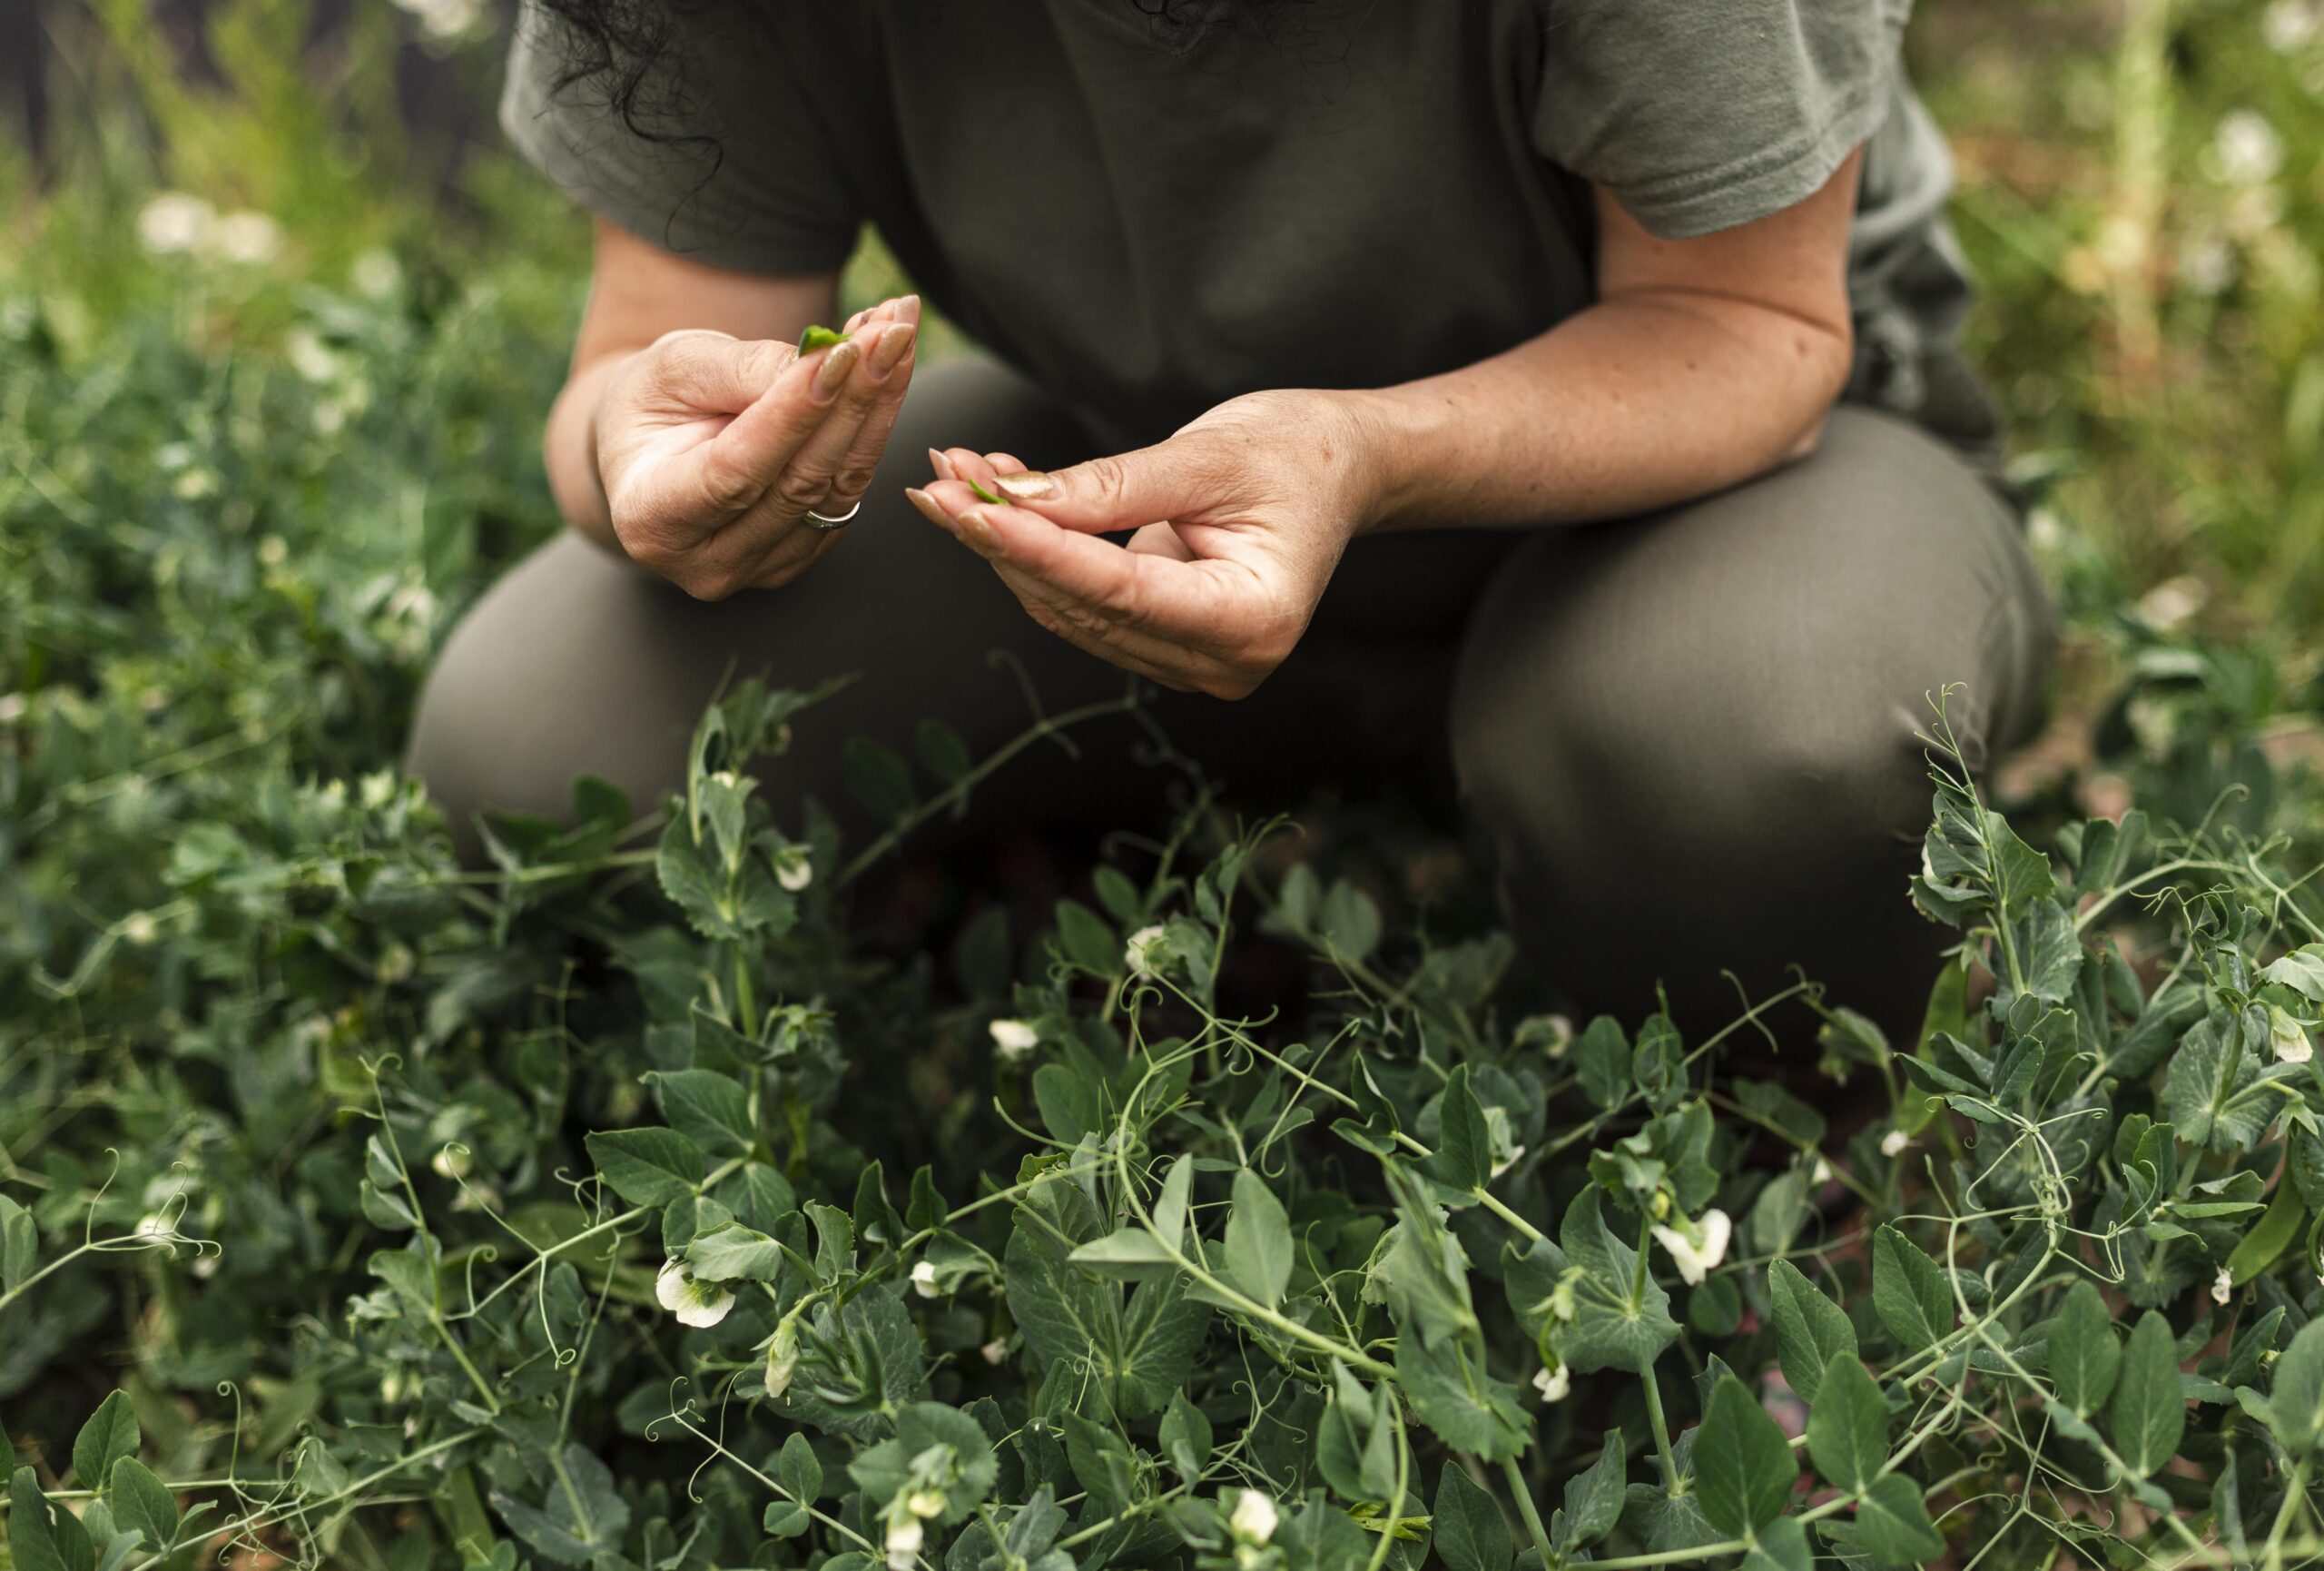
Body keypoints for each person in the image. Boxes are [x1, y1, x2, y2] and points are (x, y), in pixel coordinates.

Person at [408, 1, 2054, 1037]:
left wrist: (1363, 455)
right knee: (544, 751)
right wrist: (649, 458)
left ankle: (1755, 1064)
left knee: (1760, 753)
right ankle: (1304, 762)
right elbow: (651, 345)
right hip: (1165, 462)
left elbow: (1748, 325)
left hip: (1719, 476)